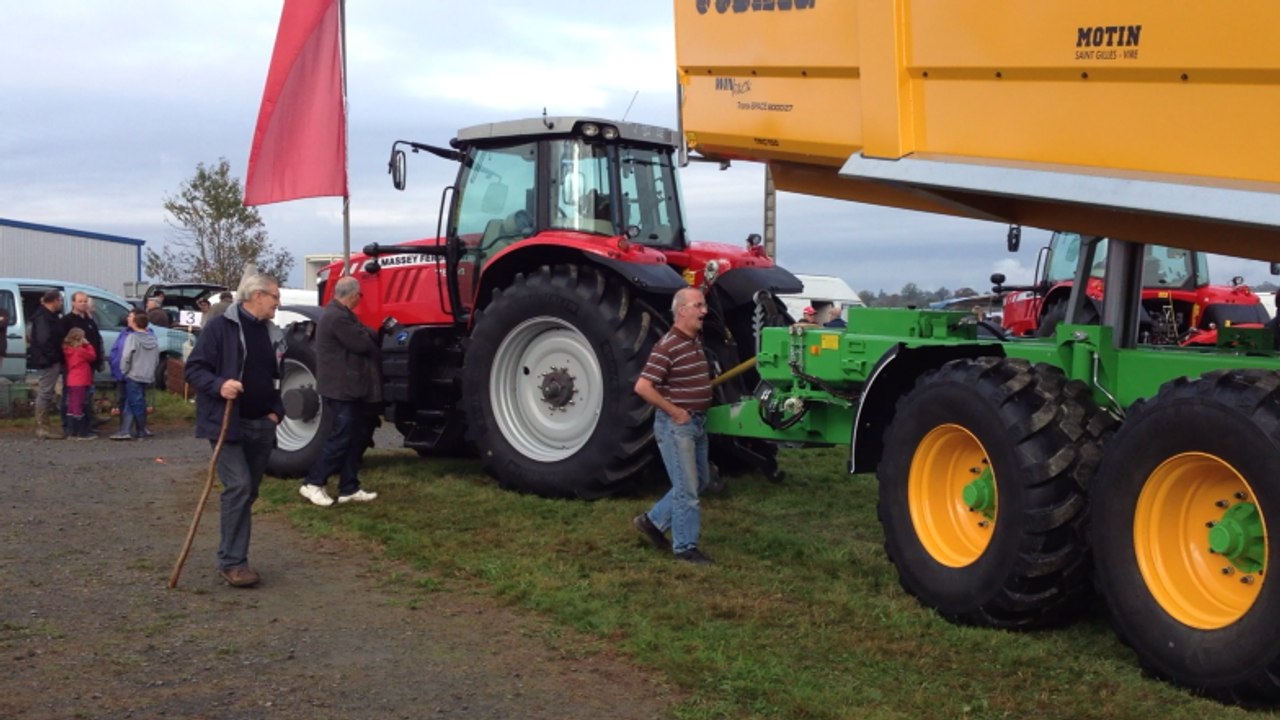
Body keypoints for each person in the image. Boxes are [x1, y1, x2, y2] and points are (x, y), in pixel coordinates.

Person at [184, 274, 286, 589]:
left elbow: (277, 377)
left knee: (247, 492)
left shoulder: (273, 333)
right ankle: (233, 563)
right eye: (274, 296)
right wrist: (220, 385)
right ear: (256, 295)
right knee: (239, 487)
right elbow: (194, 369)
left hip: (262, 423)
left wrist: (275, 413)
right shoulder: (220, 327)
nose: (277, 302)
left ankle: (232, 553)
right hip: (226, 422)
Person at [631, 286, 715, 565]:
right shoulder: (666, 346)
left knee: (698, 481)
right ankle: (685, 548)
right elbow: (643, 386)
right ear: (682, 311)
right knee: (687, 490)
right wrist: (676, 412)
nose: (704, 311)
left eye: (704, 305)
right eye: (699, 305)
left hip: (696, 423)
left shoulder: (693, 340)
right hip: (678, 426)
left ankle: (653, 522)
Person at [298, 276, 381, 506]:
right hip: (341, 388)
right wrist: (369, 335)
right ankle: (313, 483)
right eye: (359, 295)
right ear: (353, 295)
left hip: (347, 387)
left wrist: (366, 333)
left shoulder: (340, 315)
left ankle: (349, 487)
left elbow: (363, 335)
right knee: (341, 437)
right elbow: (362, 343)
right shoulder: (337, 317)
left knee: (353, 437)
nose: (359, 300)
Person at [60, 290, 105, 433]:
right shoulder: (67, 321)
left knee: (87, 396)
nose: (83, 304)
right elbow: (64, 342)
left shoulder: (89, 320)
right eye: (80, 301)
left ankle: (86, 424)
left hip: (89, 364)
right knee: (71, 396)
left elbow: (97, 339)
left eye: (85, 301)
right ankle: (69, 425)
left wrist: (97, 360)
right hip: (75, 366)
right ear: (73, 302)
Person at [112, 311, 159, 440]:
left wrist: (124, 370)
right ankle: (132, 429)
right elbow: (156, 358)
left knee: (135, 403)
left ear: (135, 323)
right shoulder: (152, 337)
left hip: (133, 374)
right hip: (147, 374)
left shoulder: (132, 338)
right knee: (138, 401)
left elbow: (126, 356)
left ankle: (140, 431)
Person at [28, 289, 65, 439]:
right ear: (55, 300)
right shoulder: (44, 318)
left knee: (47, 391)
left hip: (48, 358)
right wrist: (53, 356)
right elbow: (44, 340)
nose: (61, 303)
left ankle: (44, 425)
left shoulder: (46, 316)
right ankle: (42, 427)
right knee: (45, 392)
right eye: (60, 301)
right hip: (48, 360)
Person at [61, 327, 97, 440]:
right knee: (78, 406)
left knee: (72, 406)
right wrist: (88, 345)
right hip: (81, 380)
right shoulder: (81, 351)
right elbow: (92, 356)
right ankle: (81, 432)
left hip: (72, 379)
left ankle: (71, 430)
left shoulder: (68, 350)